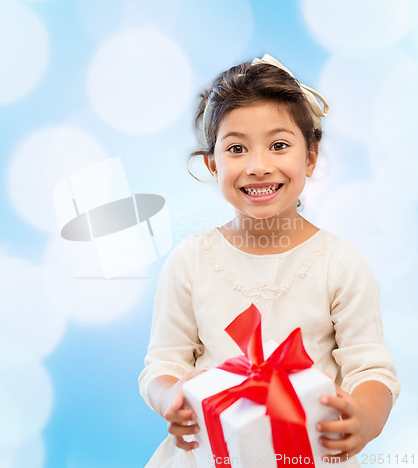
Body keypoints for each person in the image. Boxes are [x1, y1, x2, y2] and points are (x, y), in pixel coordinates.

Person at [138, 54, 399, 467]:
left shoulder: (340, 264)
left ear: (310, 157)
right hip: (210, 454)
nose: (258, 167)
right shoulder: (191, 261)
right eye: (237, 148)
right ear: (212, 163)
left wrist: (365, 417)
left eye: (279, 145)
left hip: (308, 453)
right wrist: (172, 395)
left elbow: (372, 371)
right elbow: (163, 364)